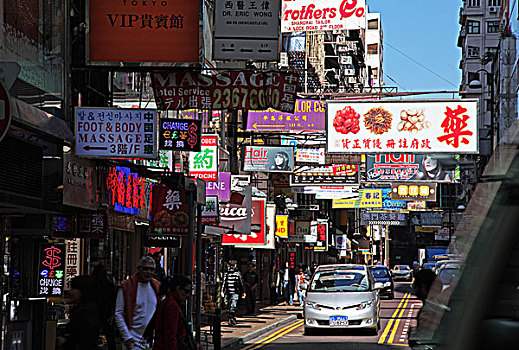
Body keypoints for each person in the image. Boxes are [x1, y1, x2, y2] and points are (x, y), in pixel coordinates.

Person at [115, 256, 161, 350]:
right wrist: (127, 337)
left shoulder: (156, 286)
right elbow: (118, 313)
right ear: (139, 269)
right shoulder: (126, 287)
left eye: (151, 269)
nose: (148, 272)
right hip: (132, 341)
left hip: (150, 341)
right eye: (145, 269)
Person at [153, 275, 196, 350]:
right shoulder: (172, 305)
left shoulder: (169, 302)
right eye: (186, 291)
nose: (187, 295)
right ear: (178, 289)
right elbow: (170, 336)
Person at [59, 275, 100, 350]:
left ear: (83, 291)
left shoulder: (85, 313)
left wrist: (66, 342)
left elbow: (84, 341)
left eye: (74, 289)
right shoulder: (86, 309)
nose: (70, 292)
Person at [91, 264, 116, 350]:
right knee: (109, 334)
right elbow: (113, 299)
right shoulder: (109, 284)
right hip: (106, 312)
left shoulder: (92, 284)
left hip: (94, 312)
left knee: (93, 333)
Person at [221, 259, 245, 326]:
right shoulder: (229, 273)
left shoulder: (236, 273)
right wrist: (222, 291)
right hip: (230, 292)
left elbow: (241, 283)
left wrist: (243, 291)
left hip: (234, 292)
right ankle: (231, 318)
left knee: (233, 305)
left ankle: (231, 318)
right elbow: (224, 283)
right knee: (231, 306)